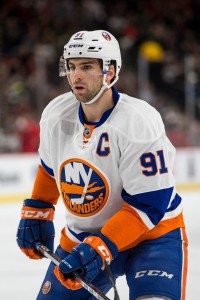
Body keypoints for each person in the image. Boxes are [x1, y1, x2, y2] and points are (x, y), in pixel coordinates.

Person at [16, 30, 188, 300]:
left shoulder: (138, 121)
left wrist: (103, 246)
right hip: (85, 238)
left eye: (86, 67)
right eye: (71, 67)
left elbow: (150, 203)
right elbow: (51, 169)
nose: (76, 76)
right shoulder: (55, 115)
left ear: (110, 71)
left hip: (152, 236)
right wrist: (38, 209)